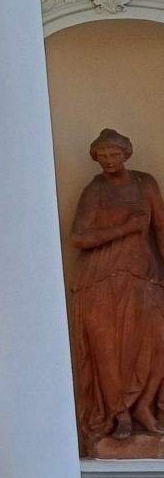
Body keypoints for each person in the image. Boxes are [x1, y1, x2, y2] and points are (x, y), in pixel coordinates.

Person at [68, 128, 164, 448]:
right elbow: (80, 237)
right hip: (100, 278)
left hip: (143, 274)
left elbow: (160, 226)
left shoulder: (145, 183)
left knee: (157, 343)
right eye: (103, 156)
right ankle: (119, 413)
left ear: (126, 154)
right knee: (106, 349)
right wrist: (125, 228)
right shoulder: (95, 190)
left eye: (114, 154)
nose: (109, 160)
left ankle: (144, 405)